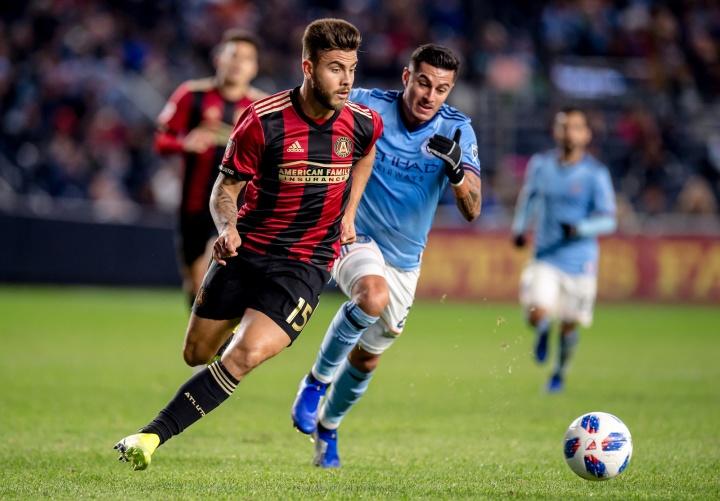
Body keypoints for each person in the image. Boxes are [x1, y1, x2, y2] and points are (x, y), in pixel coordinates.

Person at [114, 18, 383, 471]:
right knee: (196, 354)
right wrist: (226, 228)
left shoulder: (361, 122)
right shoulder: (263, 120)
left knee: (245, 354)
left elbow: (367, 153)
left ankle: (149, 437)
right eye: (336, 68)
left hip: (305, 264)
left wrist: (350, 212)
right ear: (308, 66)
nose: (347, 80)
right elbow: (225, 188)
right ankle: (214, 369)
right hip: (246, 252)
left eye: (352, 69)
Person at [290, 44, 482, 468]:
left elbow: (473, 210)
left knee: (368, 356)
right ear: (406, 78)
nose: (430, 96)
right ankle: (315, 382)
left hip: (405, 260)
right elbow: (312, 110)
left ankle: (329, 426)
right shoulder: (366, 105)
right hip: (352, 234)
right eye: (424, 82)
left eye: (442, 89)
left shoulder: (457, 131)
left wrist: (454, 173)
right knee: (370, 296)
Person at [154, 29, 266, 309]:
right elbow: (161, 139)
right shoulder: (191, 95)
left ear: (255, 67)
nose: (239, 63)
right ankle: (205, 343)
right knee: (195, 284)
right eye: (233, 56)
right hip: (193, 206)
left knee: (215, 273)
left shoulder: (261, 107)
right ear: (218, 59)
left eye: (246, 58)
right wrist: (185, 143)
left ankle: (223, 342)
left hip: (237, 208)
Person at [510, 107, 617, 393]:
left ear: (586, 134)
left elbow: (608, 219)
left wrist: (581, 228)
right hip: (545, 256)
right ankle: (543, 329)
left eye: (575, 127)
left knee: (570, 326)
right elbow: (529, 198)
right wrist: (520, 228)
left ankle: (559, 373)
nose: (569, 132)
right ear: (555, 131)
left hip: (580, 262)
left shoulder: (595, 174)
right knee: (536, 311)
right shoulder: (541, 165)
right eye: (563, 126)